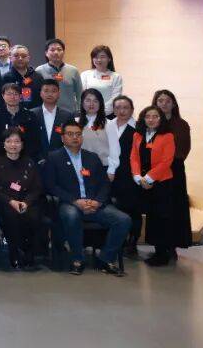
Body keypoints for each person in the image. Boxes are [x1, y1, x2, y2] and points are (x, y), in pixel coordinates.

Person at [43, 120, 130, 276]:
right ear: (62, 138)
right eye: (70, 134)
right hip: (70, 203)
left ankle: (105, 259)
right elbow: (51, 186)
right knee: (71, 215)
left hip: (94, 204)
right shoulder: (54, 157)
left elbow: (105, 184)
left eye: (78, 134)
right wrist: (75, 201)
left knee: (123, 220)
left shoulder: (92, 157)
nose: (74, 137)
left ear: (82, 137)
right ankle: (77, 259)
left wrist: (97, 201)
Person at [130, 105, 179, 266]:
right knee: (151, 218)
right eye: (148, 116)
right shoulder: (138, 135)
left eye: (155, 116)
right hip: (142, 182)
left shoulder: (168, 136)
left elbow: (166, 161)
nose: (151, 119)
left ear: (161, 119)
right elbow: (134, 157)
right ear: (143, 119)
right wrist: (138, 177)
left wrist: (149, 178)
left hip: (162, 183)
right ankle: (157, 251)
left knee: (162, 218)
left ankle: (163, 254)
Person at [0, 129, 44, 270]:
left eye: (17, 141)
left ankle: (29, 251)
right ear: (3, 144)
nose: (13, 145)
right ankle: (14, 252)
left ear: (22, 144)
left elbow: (37, 188)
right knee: (11, 216)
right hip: (5, 202)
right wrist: (11, 201)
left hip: (27, 202)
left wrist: (26, 202)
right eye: (9, 141)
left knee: (34, 216)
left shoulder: (29, 162)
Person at [151, 89, 193, 253]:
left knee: (175, 209)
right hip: (154, 172)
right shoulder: (150, 123)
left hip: (175, 171)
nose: (164, 104)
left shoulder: (181, 124)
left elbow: (184, 150)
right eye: (160, 101)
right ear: (155, 103)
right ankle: (160, 248)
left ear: (173, 104)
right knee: (158, 210)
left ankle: (172, 247)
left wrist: (166, 162)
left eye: (168, 101)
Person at [108, 95, 141, 257]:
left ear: (132, 110)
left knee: (133, 209)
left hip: (131, 174)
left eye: (125, 108)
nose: (121, 111)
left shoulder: (138, 127)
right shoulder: (107, 125)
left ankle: (132, 243)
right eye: (118, 108)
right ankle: (116, 242)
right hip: (110, 174)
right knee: (114, 207)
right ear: (113, 110)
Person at [0, 82, 43, 162]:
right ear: (3, 96)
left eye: (15, 94)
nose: (12, 97)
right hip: (2, 159)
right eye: (9, 94)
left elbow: (35, 139)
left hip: (26, 158)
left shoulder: (29, 116)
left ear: (20, 96)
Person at [78, 88, 120, 179]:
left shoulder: (109, 124)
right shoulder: (75, 123)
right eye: (88, 100)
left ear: (100, 104)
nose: (91, 104)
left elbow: (115, 149)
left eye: (95, 101)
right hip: (80, 168)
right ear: (82, 103)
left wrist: (111, 170)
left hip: (103, 168)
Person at [34, 38, 82, 113]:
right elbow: (36, 94)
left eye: (59, 49)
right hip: (46, 113)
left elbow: (80, 94)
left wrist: (79, 111)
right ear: (46, 53)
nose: (56, 52)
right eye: (52, 50)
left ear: (64, 52)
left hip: (69, 113)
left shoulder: (73, 71)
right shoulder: (39, 71)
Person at [33, 79, 74, 160]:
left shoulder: (67, 116)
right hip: (36, 160)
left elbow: (70, 141)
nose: (50, 94)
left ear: (59, 94)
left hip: (61, 160)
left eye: (53, 91)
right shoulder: (32, 114)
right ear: (40, 93)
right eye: (46, 91)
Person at [80, 45, 123, 114]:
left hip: (108, 114)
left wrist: (100, 112)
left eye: (102, 57)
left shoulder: (116, 77)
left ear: (109, 59)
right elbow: (82, 95)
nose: (99, 60)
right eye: (96, 57)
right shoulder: (85, 74)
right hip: (88, 113)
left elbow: (115, 98)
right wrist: (90, 110)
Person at [1, 45, 42, 109]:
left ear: (28, 58)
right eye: (16, 56)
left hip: (34, 113)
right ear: (10, 58)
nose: (20, 58)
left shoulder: (37, 77)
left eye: (23, 56)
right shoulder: (4, 78)